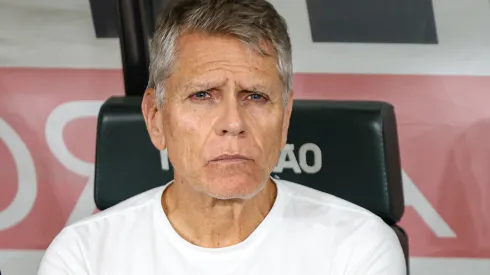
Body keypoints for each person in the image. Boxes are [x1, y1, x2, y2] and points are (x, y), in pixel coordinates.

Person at [38, 0, 406, 274]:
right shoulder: (83, 257)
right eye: (202, 95)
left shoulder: (357, 248)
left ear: (285, 118)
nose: (233, 122)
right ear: (155, 118)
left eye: (256, 96)